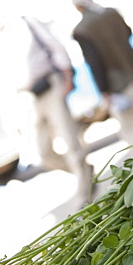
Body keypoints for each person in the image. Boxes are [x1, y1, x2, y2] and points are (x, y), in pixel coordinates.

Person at [69, 0, 133, 151]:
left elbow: (94, 62)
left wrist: (103, 90)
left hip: (115, 82)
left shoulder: (81, 30)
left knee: (132, 126)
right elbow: (128, 33)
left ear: (77, 6)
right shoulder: (111, 13)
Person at [21, 15, 93, 206]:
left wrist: (67, 75)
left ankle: (84, 190)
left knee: (69, 138)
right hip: (31, 94)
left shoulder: (27, 23)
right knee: (43, 152)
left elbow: (55, 46)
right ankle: (84, 172)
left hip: (51, 83)